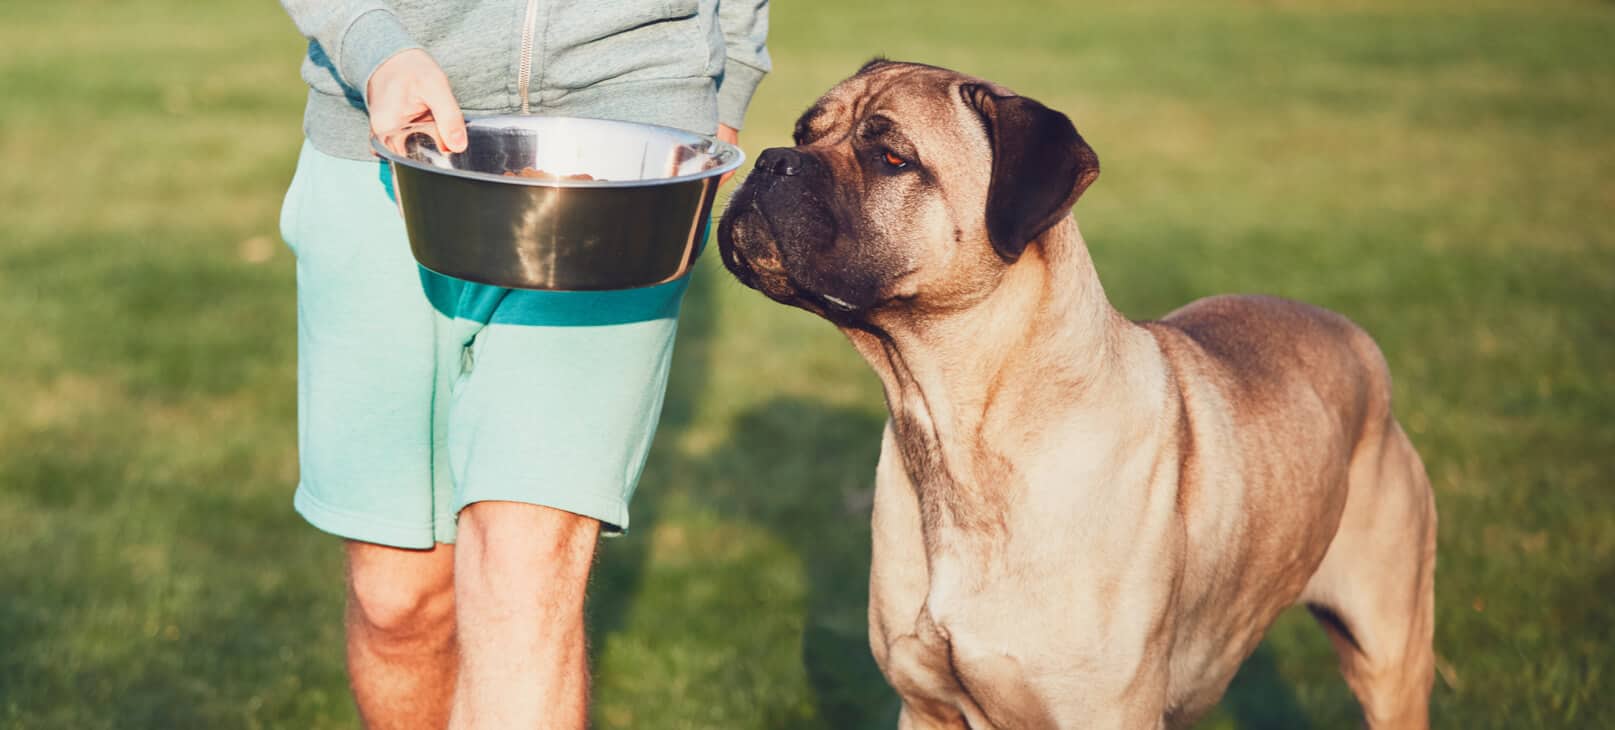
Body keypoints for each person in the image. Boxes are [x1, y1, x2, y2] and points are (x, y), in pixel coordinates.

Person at [274, 2, 769, 727]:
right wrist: (372, 46)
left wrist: (726, 92)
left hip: (625, 151)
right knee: (397, 603)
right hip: (379, 136)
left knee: (524, 575)